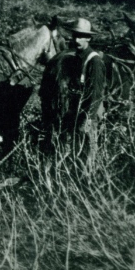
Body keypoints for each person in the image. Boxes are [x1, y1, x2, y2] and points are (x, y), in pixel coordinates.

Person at [39, 17, 105, 165]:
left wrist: (86, 120)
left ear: (88, 38)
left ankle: (87, 184)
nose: (77, 40)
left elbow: (95, 94)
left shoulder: (93, 61)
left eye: (81, 36)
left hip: (88, 115)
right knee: (71, 154)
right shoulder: (75, 58)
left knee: (86, 158)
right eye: (75, 35)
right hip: (75, 113)